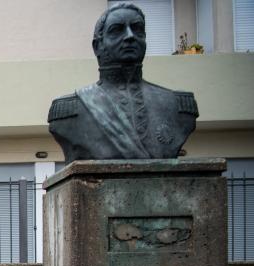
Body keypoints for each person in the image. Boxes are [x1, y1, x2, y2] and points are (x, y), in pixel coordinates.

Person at [48, 2, 198, 161]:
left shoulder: (177, 106)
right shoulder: (71, 110)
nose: (130, 36)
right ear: (97, 46)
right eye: (117, 30)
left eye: (137, 29)